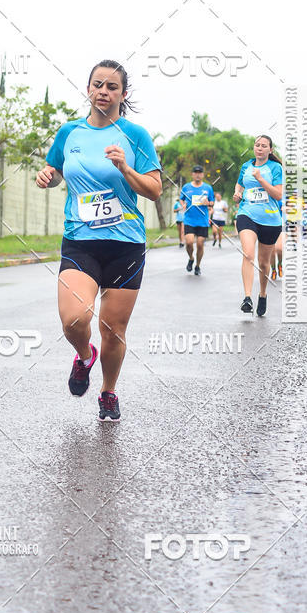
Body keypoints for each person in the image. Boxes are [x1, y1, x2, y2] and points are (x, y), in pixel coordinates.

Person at [35, 60, 162, 423]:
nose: (103, 92)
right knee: (75, 319)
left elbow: (154, 190)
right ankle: (84, 355)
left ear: (123, 94)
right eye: (97, 85)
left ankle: (108, 391)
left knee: (112, 329)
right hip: (80, 239)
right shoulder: (69, 132)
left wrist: (126, 168)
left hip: (125, 244)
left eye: (111, 87)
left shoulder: (135, 135)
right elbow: (57, 172)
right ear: (88, 89)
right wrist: (48, 175)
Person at [233, 135, 283, 316]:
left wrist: (261, 179)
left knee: (264, 263)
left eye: (264, 146)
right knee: (248, 254)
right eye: (257, 145)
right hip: (247, 214)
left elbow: (278, 195)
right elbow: (239, 185)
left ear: (270, 150)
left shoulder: (275, 168)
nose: (260, 148)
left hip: (270, 220)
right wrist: (237, 194)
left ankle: (262, 293)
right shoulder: (246, 166)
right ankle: (247, 298)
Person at [181, 166, 214, 275]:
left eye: (200, 172)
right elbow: (181, 199)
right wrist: (183, 205)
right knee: (189, 242)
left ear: (203, 175)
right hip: (189, 219)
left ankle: (198, 266)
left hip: (202, 220)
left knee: (200, 244)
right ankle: (191, 258)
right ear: (192, 174)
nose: (198, 174)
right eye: (196, 172)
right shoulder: (186, 187)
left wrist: (208, 203)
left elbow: (212, 202)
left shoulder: (208, 188)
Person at [270, 196, 284, 280]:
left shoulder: (280, 199)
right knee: (272, 251)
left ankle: (280, 264)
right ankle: (273, 270)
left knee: (279, 249)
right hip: (267, 225)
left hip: (279, 225)